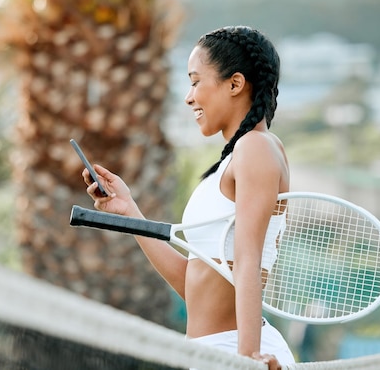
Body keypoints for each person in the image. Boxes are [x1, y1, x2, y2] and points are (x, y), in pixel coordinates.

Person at [82, 25, 295, 370]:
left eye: (196, 81)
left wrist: (248, 357)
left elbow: (248, 259)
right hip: (209, 353)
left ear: (235, 84)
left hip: (236, 352)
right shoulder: (235, 158)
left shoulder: (256, 147)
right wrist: (131, 213)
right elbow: (193, 286)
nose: (189, 96)